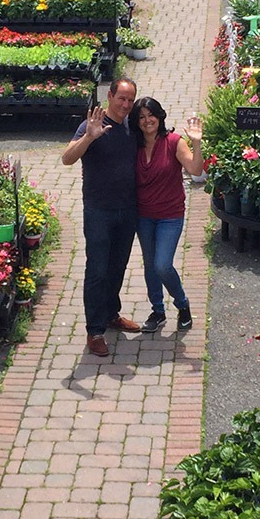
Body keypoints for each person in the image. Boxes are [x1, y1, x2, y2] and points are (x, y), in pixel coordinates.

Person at [62, 79, 141, 357]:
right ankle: (94, 331)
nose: (126, 105)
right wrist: (89, 137)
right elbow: (67, 159)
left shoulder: (134, 126)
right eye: (121, 98)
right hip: (98, 211)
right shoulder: (92, 125)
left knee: (118, 265)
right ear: (109, 96)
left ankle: (111, 314)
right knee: (97, 270)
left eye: (130, 100)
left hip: (128, 209)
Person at [129, 97, 204, 333]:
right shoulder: (135, 145)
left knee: (162, 265)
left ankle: (182, 305)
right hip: (143, 215)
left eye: (150, 115)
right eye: (141, 117)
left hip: (170, 215)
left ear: (160, 116)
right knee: (150, 265)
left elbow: (195, 169)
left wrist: (197, 144)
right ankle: (158, 311)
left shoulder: (173, 142)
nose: (146, 120)